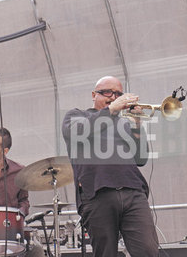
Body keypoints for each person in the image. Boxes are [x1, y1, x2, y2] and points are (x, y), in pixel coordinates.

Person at [62, 76, 159, 257]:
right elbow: (79, 133)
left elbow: (141, 158)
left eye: (118, 94)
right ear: (94, 94)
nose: (113, 97)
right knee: (105, 253)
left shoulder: (124, 123)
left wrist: (137, 125)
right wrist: (112, 110)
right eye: (107, 92)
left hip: (133, 192)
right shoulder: (76, 116)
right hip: (98, 194)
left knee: (148, 250)